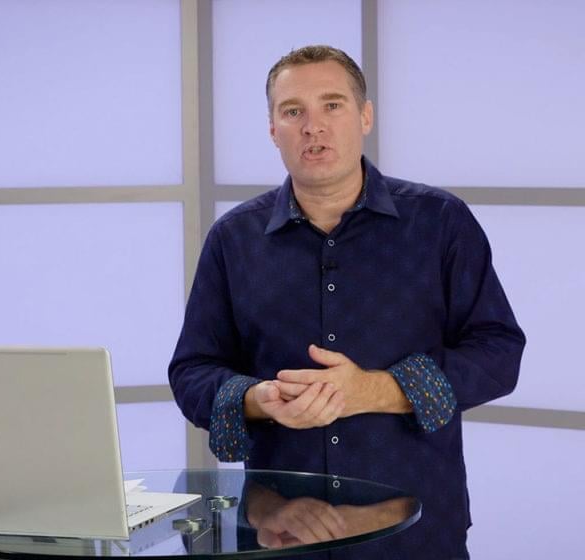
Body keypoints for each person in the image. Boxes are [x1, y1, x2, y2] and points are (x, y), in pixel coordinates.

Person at [168, 45, 525, 559]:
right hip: (279, 535)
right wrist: (257, 399)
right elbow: (192, 371)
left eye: (332, 105)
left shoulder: (441, 222)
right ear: (273, 130)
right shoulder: (233, 239)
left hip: (417, 535)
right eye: (293, 111)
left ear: (365, 116)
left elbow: (499, 353)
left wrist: (375, 390)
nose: (313, 126)